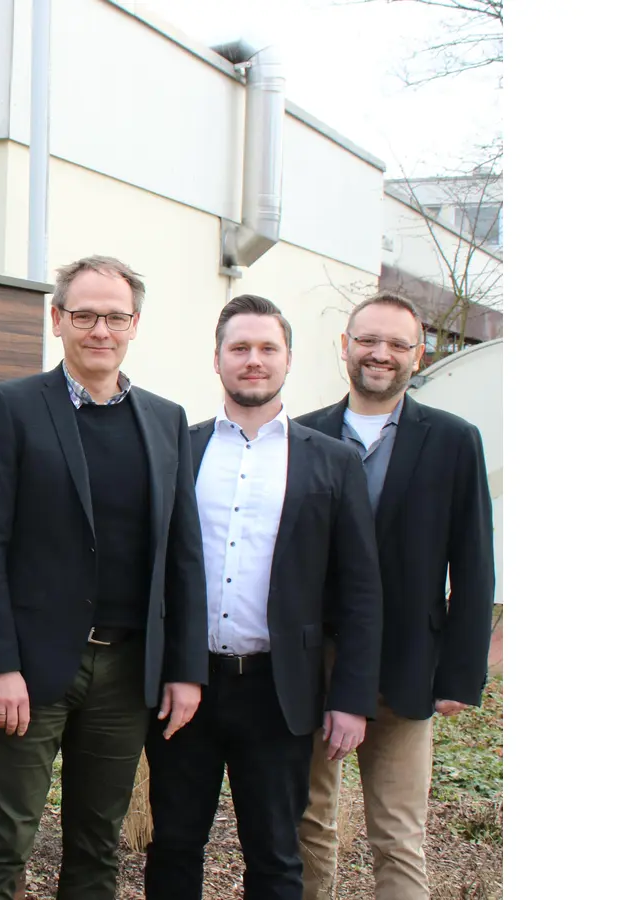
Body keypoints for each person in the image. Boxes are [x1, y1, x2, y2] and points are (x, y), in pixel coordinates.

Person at [0, 255, 208, 900]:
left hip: (125, 673)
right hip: (31, 671)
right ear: (57, 318)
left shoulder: (164, 420)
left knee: (97, 847)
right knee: (2, 842)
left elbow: (183, 555)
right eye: (86, 315)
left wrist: (184, 668)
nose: (101, 329)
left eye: (115, 316)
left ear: (135, 324)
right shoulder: (10, 407)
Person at [144, 294, 383, 900]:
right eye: (240, 348)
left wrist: (351, 698)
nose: (254, 360)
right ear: (217, 360)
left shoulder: (333, 462)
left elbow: (360, 590)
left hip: (280, 691)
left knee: (276, 856)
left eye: (267, 348)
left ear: (289, 359)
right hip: (185, 684)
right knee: (174, 845)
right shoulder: (180, 450)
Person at [294, 292, 496, 900]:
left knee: (398, 832)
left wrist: (462, 674)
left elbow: (474, 559)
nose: (380, 354)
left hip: (408, 662)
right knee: (307, 822)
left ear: (418, 353)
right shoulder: (301, 434)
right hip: (314, 662)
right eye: (367, 340)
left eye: (397, 344)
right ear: (345, 346)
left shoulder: (455, 440)